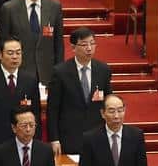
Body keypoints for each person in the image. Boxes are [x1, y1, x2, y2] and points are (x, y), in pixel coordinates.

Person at [47, 27, 112, 155]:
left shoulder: (103, 70)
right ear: (73, 47)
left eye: (92, 43)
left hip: (97, 135)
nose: (89, 48)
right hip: (70, 136)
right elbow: (53, 109)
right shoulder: (60, 72)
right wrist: (54, 139)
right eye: (84, 44)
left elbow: (108, 102)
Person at [0, 0, 64, 85]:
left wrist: (59, 71)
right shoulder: (9, 9)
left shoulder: (54, 7)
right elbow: (3, 43)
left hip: (47, 71)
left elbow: (58, 43)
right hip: (20, 71)